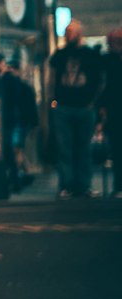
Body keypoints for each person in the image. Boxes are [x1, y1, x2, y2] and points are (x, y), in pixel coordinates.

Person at [48, 21, 104, 197]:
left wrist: (93, 102)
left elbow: (100, 80)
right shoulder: (60, 55)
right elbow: (52, 78)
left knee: (83, 147)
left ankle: (83, 185)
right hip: (64, 106)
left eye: (71, 32)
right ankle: (67, 185)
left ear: (79, 34)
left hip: (83, 107)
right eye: (66, 32)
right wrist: (53, 101)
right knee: (65, 148)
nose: (68, 35)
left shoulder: (90, 55)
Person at [0, 53, 38, 193]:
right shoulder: (4, 79)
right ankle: (20, 175)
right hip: (13, 120)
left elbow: (24, 104)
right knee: (14, 149)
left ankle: (18, 176)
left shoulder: (9, 80)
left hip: (14, 121)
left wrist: (32, 122)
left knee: (14, 149)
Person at [97, 27, 122, 196]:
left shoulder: (108, 61)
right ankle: (119, 185)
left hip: (113, 108)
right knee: (117, 149)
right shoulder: (107, 61)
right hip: (115, 110)